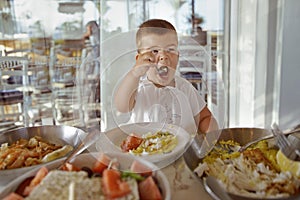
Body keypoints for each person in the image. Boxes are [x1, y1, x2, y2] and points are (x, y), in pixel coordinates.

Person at [114, 19, 218, 135]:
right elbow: (121, 106)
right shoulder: (138, 89)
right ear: (139, 60)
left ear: (178, 56)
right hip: (146, 151)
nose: (163, 56)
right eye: (154, 51)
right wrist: (134, 74)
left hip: (185, 151)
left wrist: (211, 131)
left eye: (170, 50)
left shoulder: (185, 88)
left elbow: (205, 117)